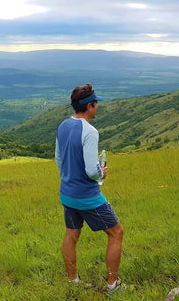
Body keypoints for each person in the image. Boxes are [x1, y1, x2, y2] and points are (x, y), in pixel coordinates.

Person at [55, 83, 133, 294]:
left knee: (71, 234)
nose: (97, 107)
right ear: (89, 106)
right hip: (87, 196)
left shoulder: (63, 125)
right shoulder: (90, 131)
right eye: (96, 103)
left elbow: (59, 159)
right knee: (117, 232)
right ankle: (113, 286)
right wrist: (101, 174)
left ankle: (73, 282)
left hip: (67, 193)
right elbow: (92, 170)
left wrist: (69, 179)